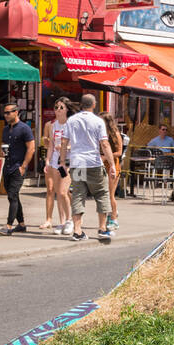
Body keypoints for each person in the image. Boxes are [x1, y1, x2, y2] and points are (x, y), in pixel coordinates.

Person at [58, 93, 116, 242]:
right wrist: (112, 165)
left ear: (82, 105)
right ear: (94, 105)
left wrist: (63, 162)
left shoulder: (72, 120)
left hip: (77, 164)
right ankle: (102, 229)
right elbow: (104, 144)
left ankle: (77, 231)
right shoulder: (98, 121)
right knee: (101, 193)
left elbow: (64, 142)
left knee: (78, 195)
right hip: (94, 163)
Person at [0, 102, 35, 236]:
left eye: (8, 112)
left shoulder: (25, 128)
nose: (6, 115)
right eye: (5, 113)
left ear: (16, 112)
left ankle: (8, 226)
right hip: (7, 166)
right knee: (12, 196)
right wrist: (3, 151)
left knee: (12, 195)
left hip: (18, 167)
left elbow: (31, 148)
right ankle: (21, 224)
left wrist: (24, 166)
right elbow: (4, 143)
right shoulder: (6, 129)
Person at [40, 98, 72, 234]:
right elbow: (51, 144)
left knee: (63, 191)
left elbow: (76, 143)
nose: (58, 110)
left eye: (61, 107)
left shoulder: (71, 125)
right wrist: (47, 160)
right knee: (57, 192)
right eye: (56, 107)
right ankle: (62, 222)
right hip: (55, 162)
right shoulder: (53, 126)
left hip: (67, 162)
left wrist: (66, 147)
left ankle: (70, 220)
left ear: (67, 110)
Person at [100, 111, 123, 232]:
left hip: (113, 165)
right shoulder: (99, 134)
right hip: (101, 165)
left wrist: (106, 156)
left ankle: (114, 219)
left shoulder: (115, 134)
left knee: (110, 194)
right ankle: (111, 213)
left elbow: (119, 152)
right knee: (103, 194)